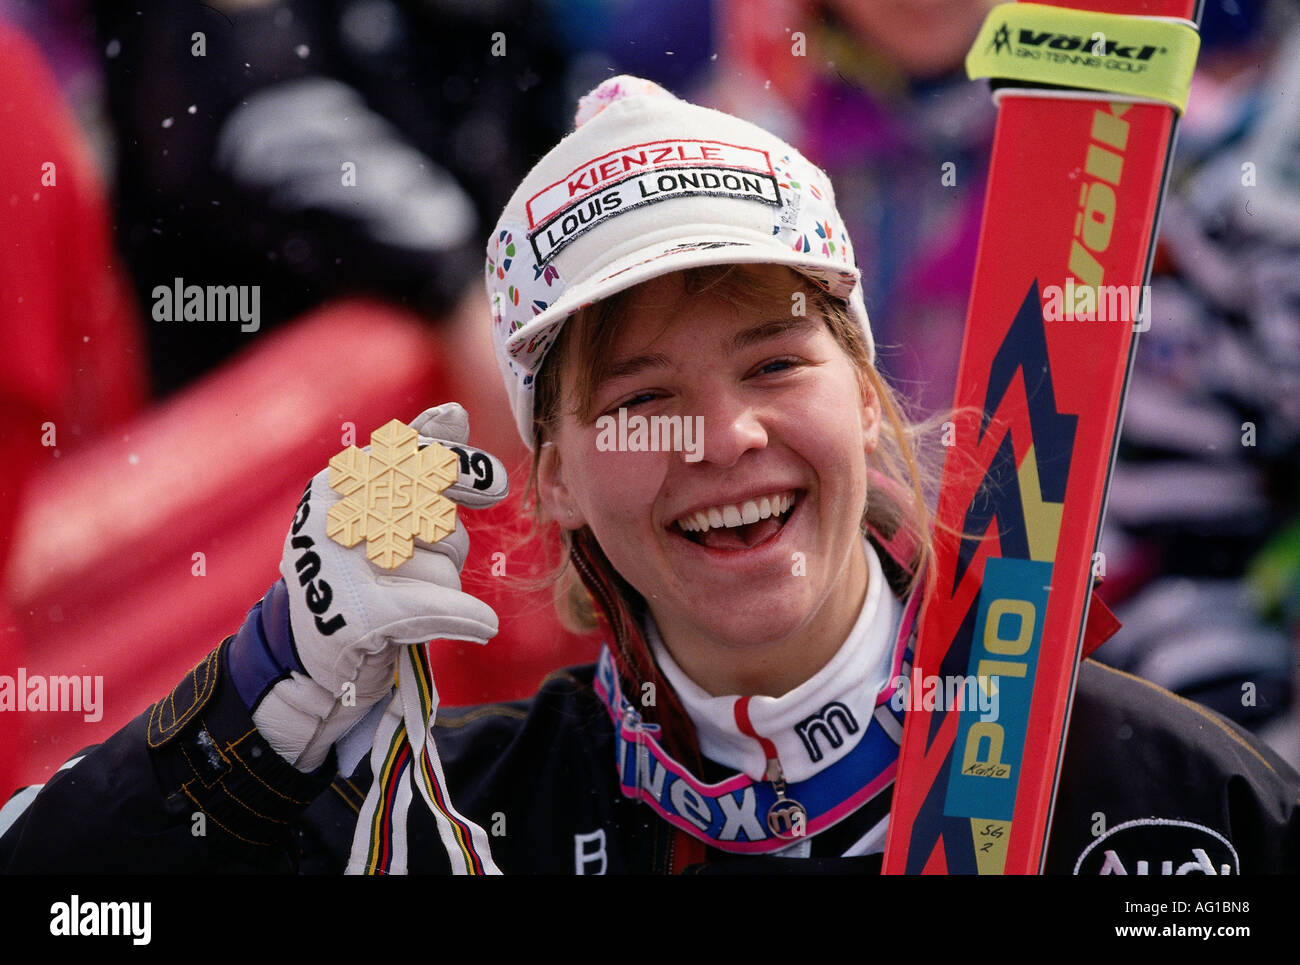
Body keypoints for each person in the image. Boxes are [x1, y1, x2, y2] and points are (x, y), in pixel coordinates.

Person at [1, 76, 1297, 875]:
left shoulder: (1162, 790)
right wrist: (262, 693)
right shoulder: (457, 820)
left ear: (863, 392)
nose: (723, 436)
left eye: (775, 364)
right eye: (642, 400)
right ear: (551, 475)